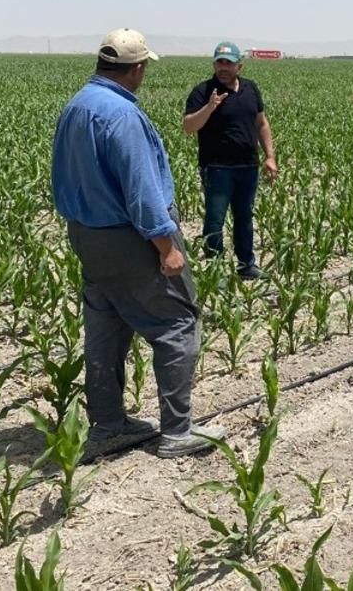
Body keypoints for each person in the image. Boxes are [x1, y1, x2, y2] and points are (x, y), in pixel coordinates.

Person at [51, 28, 225, 459]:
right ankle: (177, 433)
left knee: (106, 327)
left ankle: (108, 425)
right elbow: (142, 191)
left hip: (88, 237)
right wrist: (166, 246)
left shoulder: (77, 105)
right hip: (130, 239)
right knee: (177, 323)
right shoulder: (122, 116)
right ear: (138, 68)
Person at [183, 41, 277, 280]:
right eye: (219, 62)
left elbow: (261, 123)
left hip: (248, 166)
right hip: (217, 168)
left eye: (228, 63)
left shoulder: (251, 89)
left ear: (239, 66)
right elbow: (188, 127)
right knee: (215, 220)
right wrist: (210, 107)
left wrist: (270, 156)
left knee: (244, 217)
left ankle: (247, 265)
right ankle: (216, 272)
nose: (223, 67)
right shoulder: (203, 92)